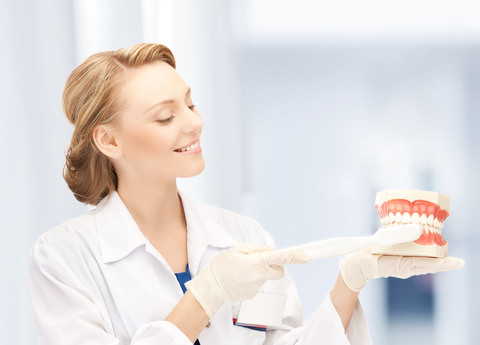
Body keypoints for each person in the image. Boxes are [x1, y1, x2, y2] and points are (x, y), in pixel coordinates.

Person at [28, 43, 464, 345]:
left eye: (190, 104)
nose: (195, 124)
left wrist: (349, 283)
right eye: (165, 117)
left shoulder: (240, 235)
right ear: (109, 142)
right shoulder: (64, 258)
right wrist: (206, 294)